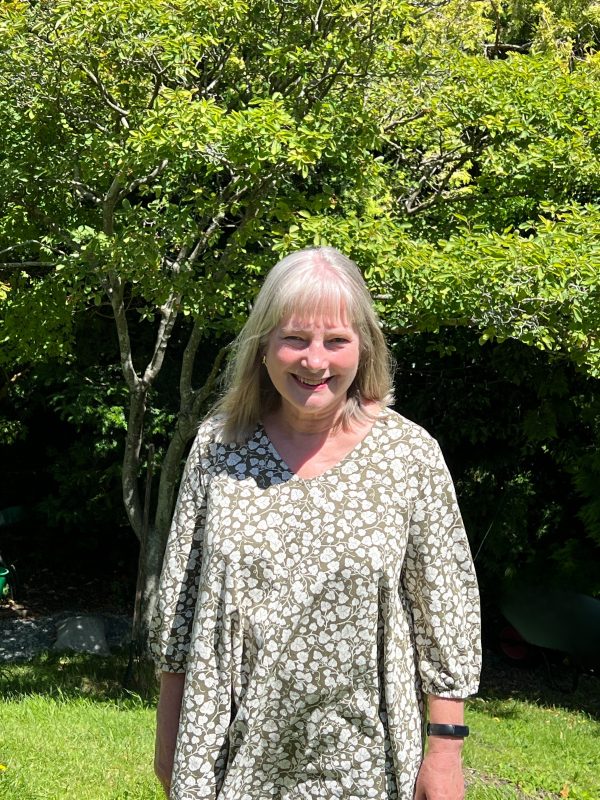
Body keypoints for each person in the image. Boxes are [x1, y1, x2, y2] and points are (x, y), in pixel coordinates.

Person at [149, 246, 481, 800]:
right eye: (296, 339)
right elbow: (181, 609)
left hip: (363, 758)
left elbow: (444, 610)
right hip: (229, 751)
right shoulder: (219, 446)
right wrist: (169, 737)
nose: (314, 361)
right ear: (263, 347)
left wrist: (445, 751)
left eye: (336, 341)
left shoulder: (409, 455)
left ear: (364, 348)